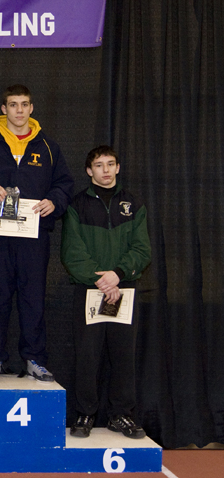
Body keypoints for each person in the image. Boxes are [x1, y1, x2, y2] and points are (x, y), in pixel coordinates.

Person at [0, 85, 73, 381]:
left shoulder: (48, 146)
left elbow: (64, 184)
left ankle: (34, 358)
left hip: (33, 237)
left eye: (24, 104)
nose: (19, 110)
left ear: (32, 108)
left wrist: (54, 201)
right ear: (3, 109)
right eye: (13, 105)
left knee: (33, 299)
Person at [61, 145, 151, 439]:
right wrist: (101, 281)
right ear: (89, 171)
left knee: (124, 356)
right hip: (90, 291)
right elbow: (72, 253)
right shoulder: (77, 205)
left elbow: (142, 249)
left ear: (118, 167)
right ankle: (85, 413)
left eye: (110, 164)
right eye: (99, 165)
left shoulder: (134, 204)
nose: (106, 170)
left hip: (124, 290)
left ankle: (121, 414)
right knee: (88, 356)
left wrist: (118, 275)